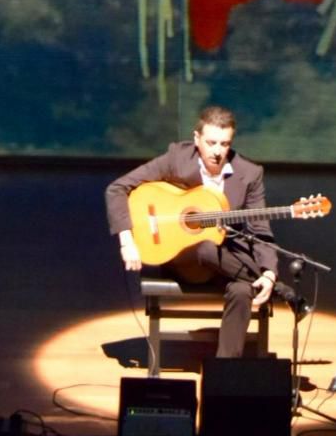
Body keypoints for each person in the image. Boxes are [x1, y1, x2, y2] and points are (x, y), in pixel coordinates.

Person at [105, 104, 303, 358]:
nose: (218, 151)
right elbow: (117, 189)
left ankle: (223, 373)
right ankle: (282, 291)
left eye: (224, 144)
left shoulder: (249, 174)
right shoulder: (177, 158)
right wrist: (127, 241)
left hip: (229, 263)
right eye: (211, 143)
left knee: (243, 290)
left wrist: (268, 272)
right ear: (196, 138)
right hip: (181, 259)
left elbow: (259, 228)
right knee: (206, 247)